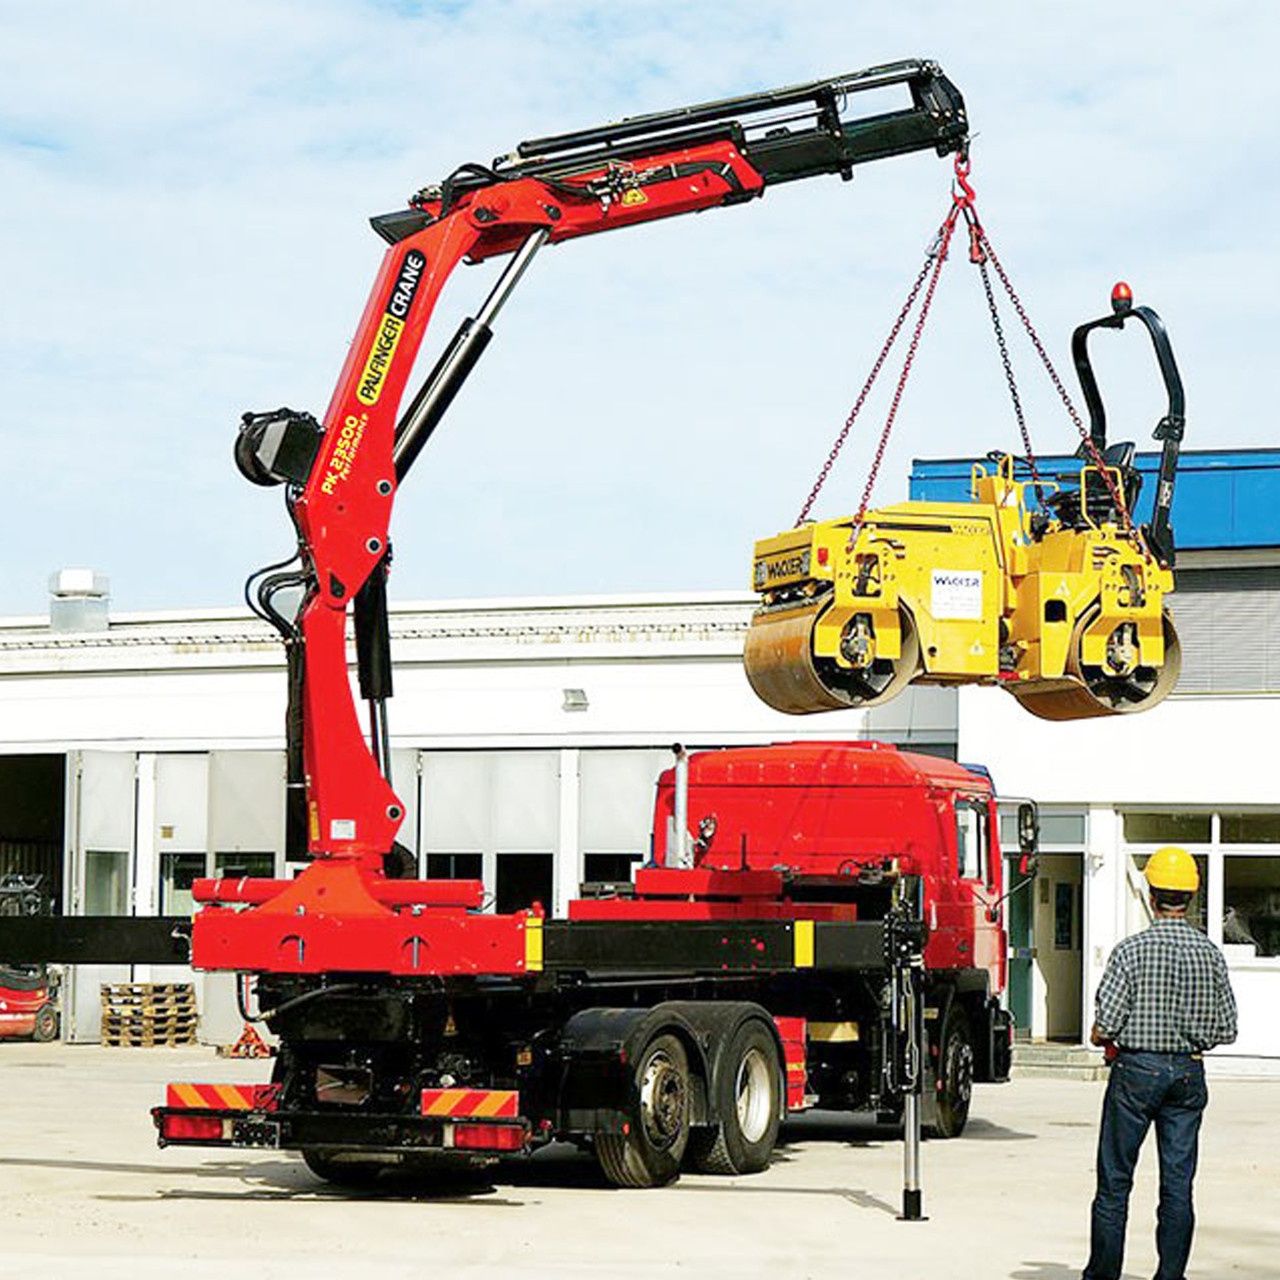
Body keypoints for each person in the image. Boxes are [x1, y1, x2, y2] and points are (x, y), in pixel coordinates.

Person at [1082, 845, 1237, 1280]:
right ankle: (1171, 1275)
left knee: (1114, 1182)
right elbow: (1227, 1027)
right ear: (1190, 896)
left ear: (1152, 895)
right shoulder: (1210, 954)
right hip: (1188, 1072)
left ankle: (1103, 1275)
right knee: (1178, 1183)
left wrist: (1101, 1035)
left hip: (1135, 1072)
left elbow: (1107, 1022)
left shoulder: (1130, 951)